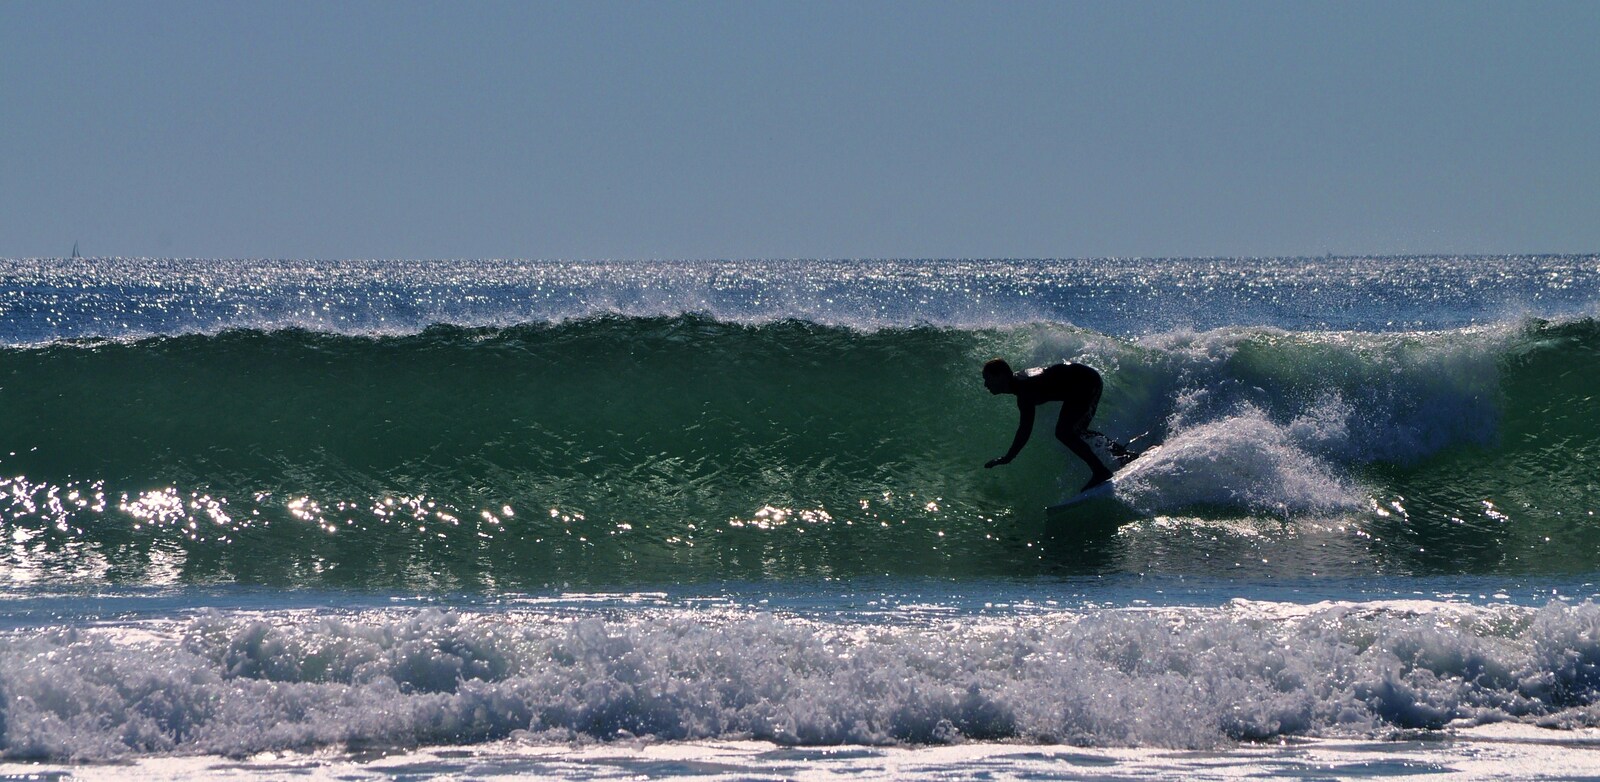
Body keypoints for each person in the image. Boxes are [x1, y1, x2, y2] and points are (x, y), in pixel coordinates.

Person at [982, 358, 1135, 491]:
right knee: (1076, 431)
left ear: (1001, 376)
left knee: (1064, 433)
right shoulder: (1020, 385)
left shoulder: (1024, 390)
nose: (985, 385)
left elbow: (1025, 429)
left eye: (987, 379)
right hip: (1083, 382)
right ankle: (1123, 455)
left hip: (1085, 382)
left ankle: (1101, 471)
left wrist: (1008, 457)